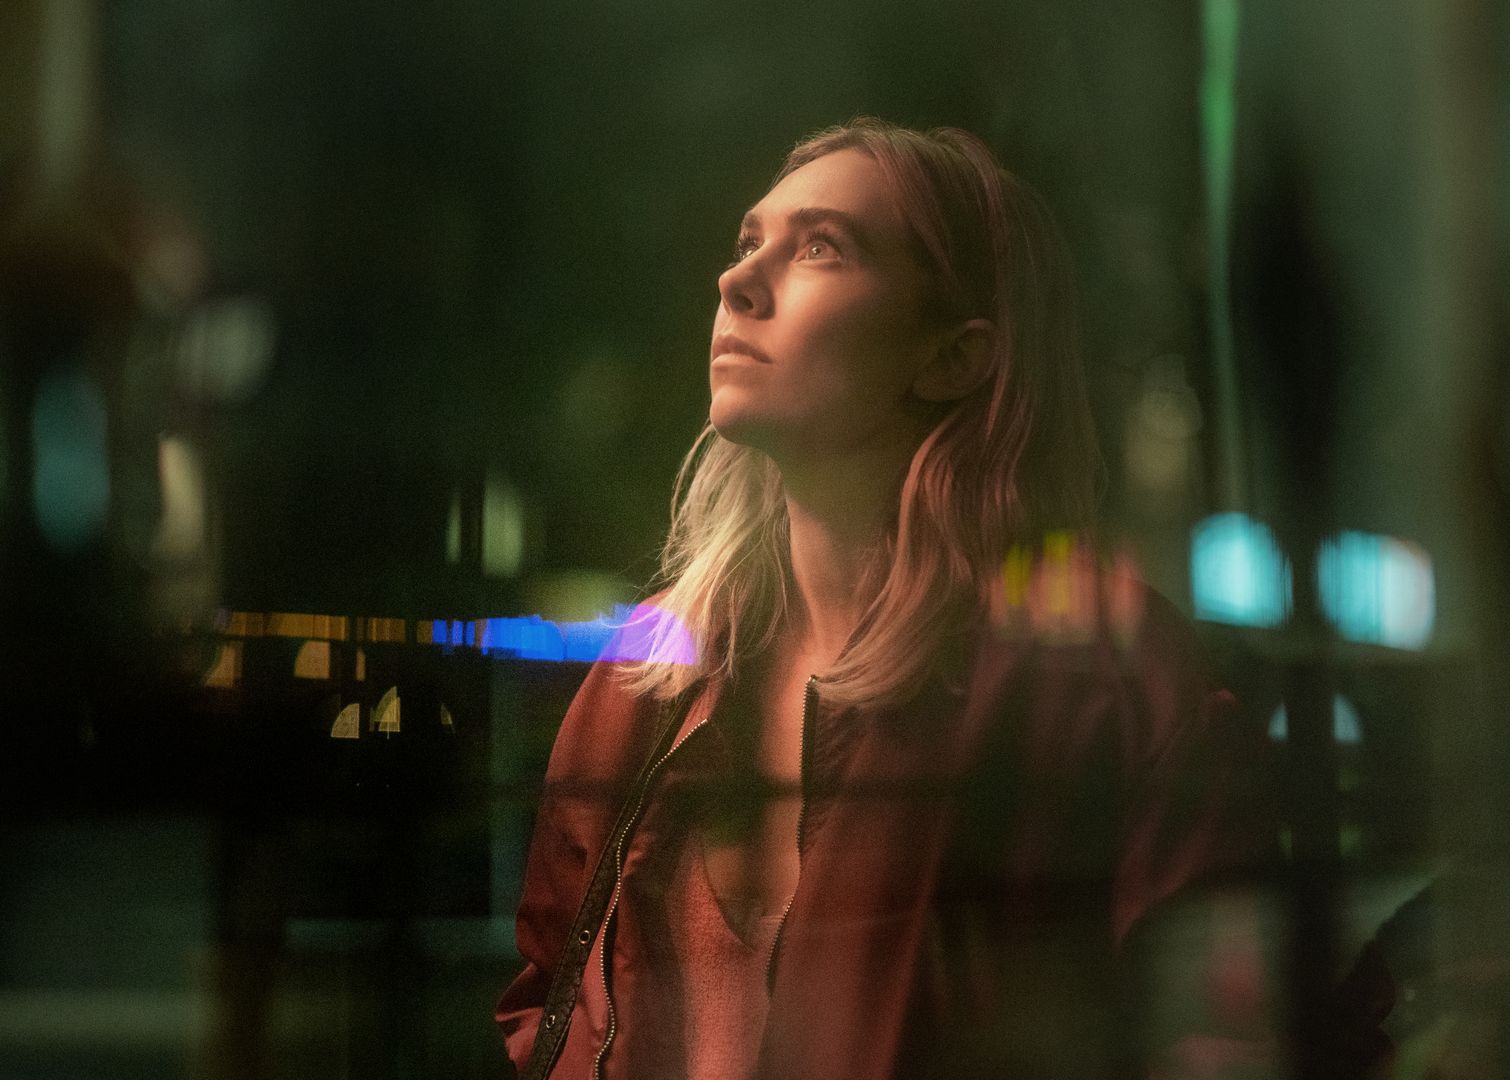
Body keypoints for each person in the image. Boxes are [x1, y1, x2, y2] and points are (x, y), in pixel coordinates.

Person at [496, 118, 1307, 1080]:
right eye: (749, 241)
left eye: (822, 247)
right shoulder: (645, 671)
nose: (736, 281)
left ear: (955, 357)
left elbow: (1223, 1033)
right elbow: (549, 995)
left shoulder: (1094, 670)